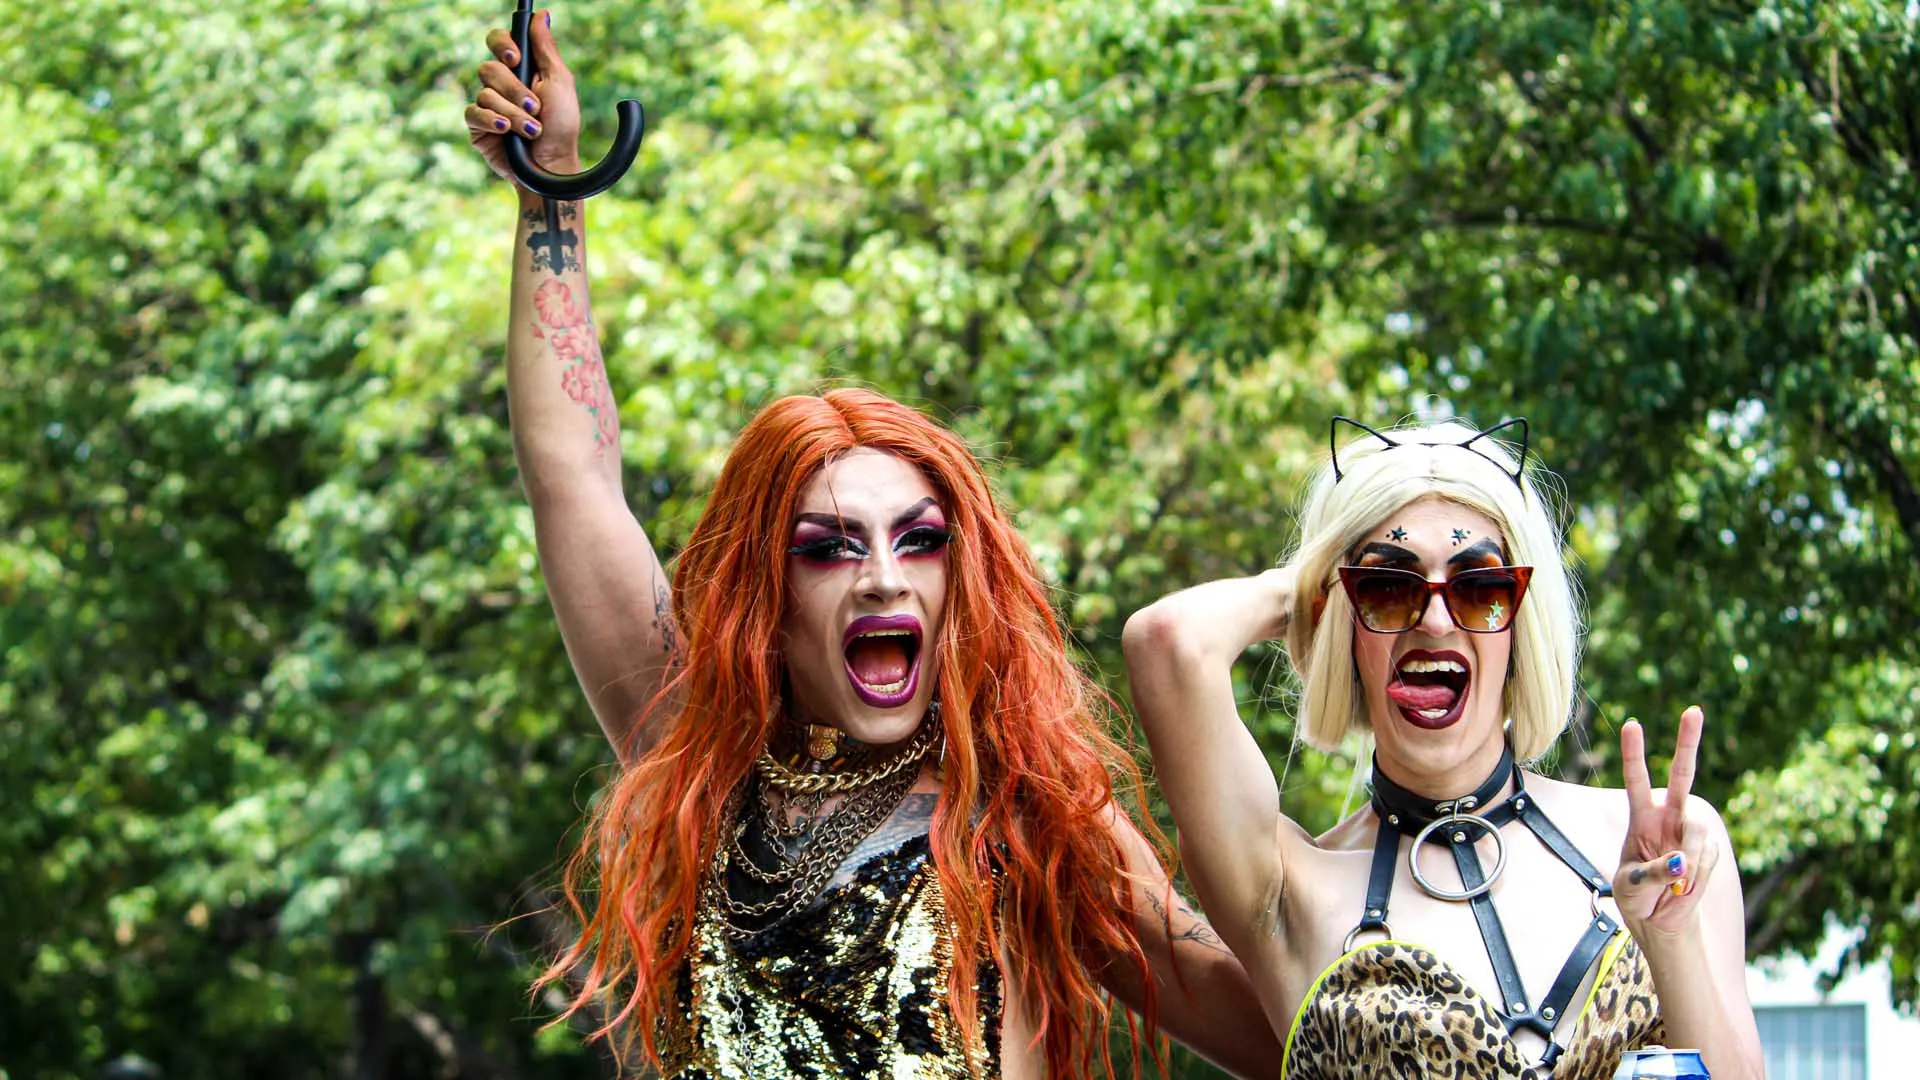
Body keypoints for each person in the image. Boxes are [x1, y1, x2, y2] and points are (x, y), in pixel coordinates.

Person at [460, 12, 1277, 1078]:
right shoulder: (697, 762)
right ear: (767, 596)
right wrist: (552, 188)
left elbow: (1275, 1032)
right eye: (829, 548)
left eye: (919, 539)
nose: (884, 577)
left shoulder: (1021, 809)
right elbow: (572, 476)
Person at [1123, 417, 1767, 1080]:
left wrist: (1669, 937)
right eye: (1389, 589)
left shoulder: (1660, 843)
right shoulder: (1288, 887)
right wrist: (1321, 580)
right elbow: (1170, 641)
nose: (1434, 622)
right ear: (1342, 619)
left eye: (1481, 590)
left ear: (1522, 625)